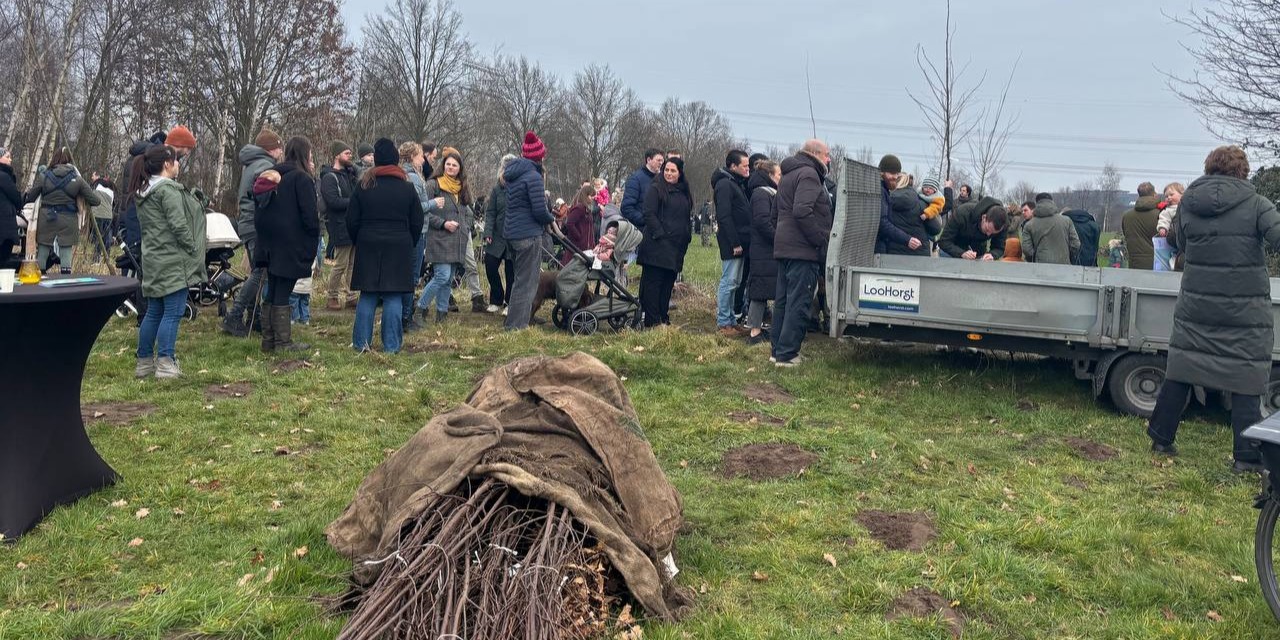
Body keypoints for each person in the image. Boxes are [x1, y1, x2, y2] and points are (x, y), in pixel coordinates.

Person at [1147, 145, 1280, 473]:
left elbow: (1177, 243)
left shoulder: (1188, 204)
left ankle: (1161, 437)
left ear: (1209, 169)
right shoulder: (1258, 204)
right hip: (1244, 310)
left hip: (1197, 304)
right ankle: (1246, 458)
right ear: (1243, 171)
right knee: (1246, 376)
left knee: (1182, 368)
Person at [130, 145, 206, 379]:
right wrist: (192, 247)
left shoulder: (143, 192)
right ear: (166, 164)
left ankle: (144, 363)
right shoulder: (167, 190)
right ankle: (165, 362)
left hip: (153, 258)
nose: (178, 165)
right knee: (173, 312)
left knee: (154, 311)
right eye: (176, 161)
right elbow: (178, 224)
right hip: (172, 260)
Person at [348, 138, 425, 354]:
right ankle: (391, 346)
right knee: (393, 295)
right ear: (395, 160)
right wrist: (408, 241)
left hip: (368, 241)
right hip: (399, 243)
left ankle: (361, 344)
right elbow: (417, 221)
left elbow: (351, 219)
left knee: (368, 294)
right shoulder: (407, 188)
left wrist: (360, 239)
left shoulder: (363, 186)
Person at [253, 136, 319, 353]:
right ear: (304, 153)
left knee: (273, 289)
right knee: (283, 291)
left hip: (269, 241)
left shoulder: (272, 175)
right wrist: (312, 241)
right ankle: (283, 343)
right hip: (292, 243)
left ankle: (268, 340)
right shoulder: (302, 179)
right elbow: (310, 216)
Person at [772, 140, 833, 367]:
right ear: (815, 154)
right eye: (827, 155)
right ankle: (787, 355)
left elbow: (775, 212)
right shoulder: (809, 174)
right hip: (802, 250)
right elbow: (802, 211)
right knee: (798, 302)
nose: (829, 160)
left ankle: (776, 350)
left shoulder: (788, 174)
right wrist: (819, 239)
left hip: (785, 248)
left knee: (783, 301)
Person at [222, 129, 284, 337]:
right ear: (271, 149)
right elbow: (265, 200)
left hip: (247, 223)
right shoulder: (266, 166)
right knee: (260, 272)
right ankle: (235, 315)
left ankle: (254, 317)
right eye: (278, 147)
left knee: (256, 272)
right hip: (258, 225)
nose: (281, 151)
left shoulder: (252, 164)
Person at [417, 151, 473, 324]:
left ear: (459, 169)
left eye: (454, 165)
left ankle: (441, 315)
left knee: (448, 280)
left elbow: (467, 212)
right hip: (439, 237)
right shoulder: (433, 184)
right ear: (443, 165)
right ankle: (420, 309)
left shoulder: (462, 187)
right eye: (448, 164)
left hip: (458, 240)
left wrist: (465, 227)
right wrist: (443, 223)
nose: (451, 167)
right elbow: (423, 211)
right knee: (441, 276)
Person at [503, 131, 553, 331]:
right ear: (539, 156)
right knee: (528, 283)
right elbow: (539, 210)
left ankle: (512, 323)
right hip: (528, 235)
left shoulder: (513, 174)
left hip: (512, 234)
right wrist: (551, 219)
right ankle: (517, 326)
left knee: (519, 281)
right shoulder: (533, 176)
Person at [25, 147, 101, 272]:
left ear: (54, 158)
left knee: (43, 250)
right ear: (69, 160)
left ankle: (38, 282)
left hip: (46, 218)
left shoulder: (44, 177)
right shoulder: (77, 179)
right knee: (66, 251)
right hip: (68, 219)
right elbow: (95, 201)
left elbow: (31, 197)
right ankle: (65, 282)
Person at [637, 157, 693, 327]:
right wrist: (660, 234)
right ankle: (652, 321)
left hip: (676, 247)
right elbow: (648, 213)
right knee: (654, 284)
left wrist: (686, 236)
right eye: (666, 170)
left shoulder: (684, 191)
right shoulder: (656, 189)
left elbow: (685, 217)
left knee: (667, 285)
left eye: (673, 170)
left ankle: (663, 317)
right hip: (657, 245)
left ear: (680, 173)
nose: (669, 173)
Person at [713, 149, 752, 337]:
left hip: (741, 243)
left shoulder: (736, 183)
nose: (748, 169)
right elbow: (725, 216)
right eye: (745, 166)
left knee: (735, 283)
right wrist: (735, 242)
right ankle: (723, 322)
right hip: (732, 244)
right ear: (733, 166)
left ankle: (731, 320)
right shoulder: (725, 185)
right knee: (728, 282)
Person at [319, 141, 359, 310]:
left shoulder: (349, 175)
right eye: (346, 153)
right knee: (341, 264)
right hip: (339, 225)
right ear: (337, 155)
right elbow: (333, 201)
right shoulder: (330, 177)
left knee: (352, 263)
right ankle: (332, 296)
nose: (350, 156)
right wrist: (354, 202)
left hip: (352, 224)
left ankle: (351, 295)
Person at [745, 160, 781, 344]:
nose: (781, 178)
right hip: (763, 251)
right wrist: (779, 238)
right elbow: (762, 222)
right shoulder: (761, 194)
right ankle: (754, 332)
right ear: (770, 176)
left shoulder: (770, 193)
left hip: (768, 250)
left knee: (766, 289)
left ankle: (761, 329)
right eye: (779, 175)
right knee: (759, 292)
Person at [484, 155, 517, 314]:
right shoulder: (497, 189)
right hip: (496, 235)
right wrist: (487, 232)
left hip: (513, 237)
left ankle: (509, 303)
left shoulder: (520, 187)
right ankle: (496, 298)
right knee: (490, 265)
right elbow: (490, 212)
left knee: (511, 272)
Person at [874, 154, 919, 256]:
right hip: (878, 247)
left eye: (897, 173)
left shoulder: (884, 190)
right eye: (891, 173)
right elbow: (882, 223)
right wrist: (907, 239)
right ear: (882, 173)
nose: (895, 177)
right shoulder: (880, 191)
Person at [938, 196, 1008, 260]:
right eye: (987, 229)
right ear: (984, 217)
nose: (988, 235)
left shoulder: (1003, 224)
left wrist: (992, 255)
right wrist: (961, 253)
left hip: (977, 251)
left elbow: (999, 248)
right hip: (954, 246)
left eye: (993, 233)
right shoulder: (962, 213)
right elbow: (943, 241)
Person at [1019, 193, 1080, 265]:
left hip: (1040, 266)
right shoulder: (1067, 221)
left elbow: (1027, 250)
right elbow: (1076, 244)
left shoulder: (1029, 225)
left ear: (1037, 204)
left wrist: (1035, 258)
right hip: (1063, 266)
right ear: (1052, 202)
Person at [880, 172, 930, 256]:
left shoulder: (886, 200)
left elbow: (884, 225)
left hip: (894, 251)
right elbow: (935, 228)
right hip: (919, 251)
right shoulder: (921, 202)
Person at [1121, 182, 1161, 269]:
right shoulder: (1161, 215)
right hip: (1157, 264)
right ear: (1154, 194)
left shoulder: (1127, 216)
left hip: (1134, 264)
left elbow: (1126, 235)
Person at [622, 149, 664, 229]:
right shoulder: (635, 179)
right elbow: (626, 208)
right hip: (642, 231)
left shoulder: (662, 180)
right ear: (648, 160)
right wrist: (647, 221)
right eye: (658, 160)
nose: (661, 163)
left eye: (662, 160)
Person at [560, 183, 596, 266]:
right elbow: (570, 223)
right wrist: (578, 236)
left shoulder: (587, 209)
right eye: (591, 196)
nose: (593, 198)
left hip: (585, 246)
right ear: (585, 196)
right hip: (577, 245)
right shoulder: (579, 208)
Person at [0, 147, 22, 268]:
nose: (10, 159)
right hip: (4, 225)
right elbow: (16, 198)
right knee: (3, 259)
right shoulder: (4, 177)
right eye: (7, 157)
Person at [89, 175, 116, 263]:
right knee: (107, 239)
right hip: (108, 216)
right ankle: (106, 258)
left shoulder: (96, 187)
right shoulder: (111, 191)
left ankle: (96, 259)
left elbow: (90, 196)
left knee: (98, 238)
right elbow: (112, 204)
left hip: (97, 215)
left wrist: (94, 180)